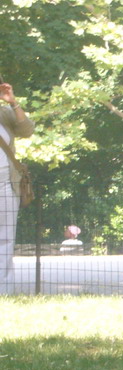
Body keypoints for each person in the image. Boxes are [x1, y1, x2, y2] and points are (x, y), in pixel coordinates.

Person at [0, 76, 34, 293]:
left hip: (5, 182)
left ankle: (3, 288)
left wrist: (13, 102)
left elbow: (27, 130)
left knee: (4, 237)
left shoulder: (4, 114)